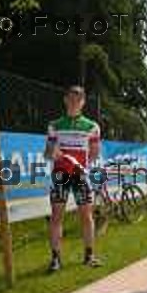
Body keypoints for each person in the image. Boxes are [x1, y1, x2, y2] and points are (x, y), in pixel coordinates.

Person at [45, 85, 101, 272]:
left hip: (80, 175)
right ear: (65, 100)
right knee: (56, 217)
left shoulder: (92, 126)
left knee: (86, 216)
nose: (74, 102)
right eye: (71, 98)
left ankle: (89, 255)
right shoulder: (55, 125)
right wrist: (54, 153)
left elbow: (94, 153)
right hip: (60, 175)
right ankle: (55, 259)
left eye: (78, 99)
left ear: (83, 102)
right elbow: (47, 153)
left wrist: (84, 167)